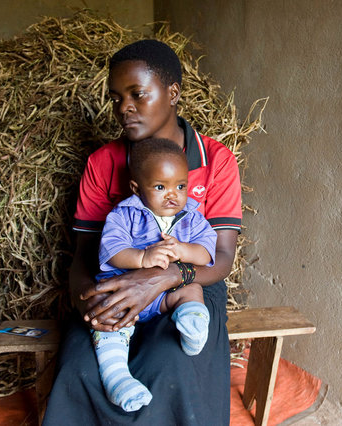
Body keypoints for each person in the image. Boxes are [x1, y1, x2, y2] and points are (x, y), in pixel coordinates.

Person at [43, 39, 242, 425]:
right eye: (116, 97)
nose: (124, 108)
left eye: (137, 94)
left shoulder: (216, 160)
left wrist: (161, 278)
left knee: (172, 368)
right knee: (82, 371)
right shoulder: (103, 162)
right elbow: (84, 255)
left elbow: (222, 258)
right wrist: (92, 304)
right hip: (113, 279)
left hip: (188, 283)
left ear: (173, 93)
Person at [91, 138, 218, 412]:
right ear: (137, 188)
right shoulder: (124, 215)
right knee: (108, 321)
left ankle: (193, 329)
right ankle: (117, 377)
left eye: (180, 186)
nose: (172, 195)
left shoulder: (192, 217)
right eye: (160, 187)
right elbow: (111, 250)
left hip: (163, 297)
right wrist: (141, 257)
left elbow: (207, 253)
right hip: (124, 296)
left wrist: (184, 250)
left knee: (192, 291)